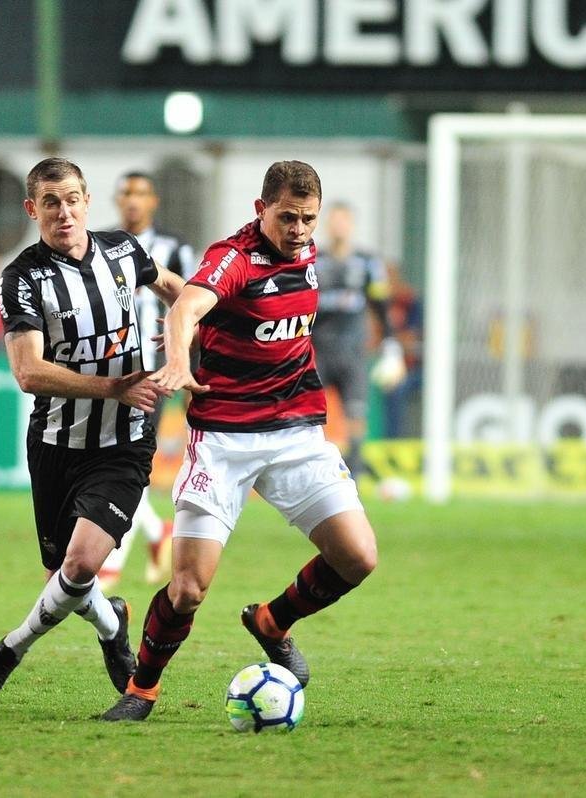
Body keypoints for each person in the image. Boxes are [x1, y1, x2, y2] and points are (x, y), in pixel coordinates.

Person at [102, 160, 378, 722]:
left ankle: (273, 621)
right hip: (224, 439)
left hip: (297, 432)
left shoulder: (307, 253)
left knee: (358, 556)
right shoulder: (232, 258)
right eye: (287, 218)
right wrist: (179, 358)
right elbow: (187, 306)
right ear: (260, 210)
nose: (299, 230)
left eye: (308, 219)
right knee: (187, 590)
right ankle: (142, 689)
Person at [0, 157, 187, 706]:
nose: (64, 212)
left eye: (72, 199)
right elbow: (28, 372)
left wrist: (185, 330)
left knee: (82, 565)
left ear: (87, 200)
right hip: (55, 444)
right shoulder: (21, 277)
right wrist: (113, 386)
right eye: (51, 202)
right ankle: (114, 628)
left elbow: (179, 291)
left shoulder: (124, 252)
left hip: (124, 442)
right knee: (62, 579)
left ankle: (9, 650)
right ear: (31, 209)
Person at [97, 171, 197, 591]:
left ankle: (111, 562)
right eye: (126, 194)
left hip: (154, 368)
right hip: (107, 366)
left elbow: (193, 301)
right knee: (109, 459)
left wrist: (187, 361)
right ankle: (157, 533)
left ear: (153, 200)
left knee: (124, 461)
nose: (132, 201)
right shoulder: (100, 246)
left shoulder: (174, 248)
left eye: (140, 193)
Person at [313, 202, 389, 477]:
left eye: (343, 221)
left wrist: (389, 343)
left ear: (352, 225)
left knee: (355, 414)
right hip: (318, 348)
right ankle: (315, 471)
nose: (338, 227)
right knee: (312, 413)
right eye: (334, 221)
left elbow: (380, 304)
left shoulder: (367, 261)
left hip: (353, 350)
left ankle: (354, 472)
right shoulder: (313, 258)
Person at [380, 263, 423, 438]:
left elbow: (411, 338)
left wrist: (387, 340)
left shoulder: (410, 302)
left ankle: (393, 441)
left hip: (413, 368)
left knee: (396, 389)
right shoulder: (377, 304)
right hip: (378, 365)